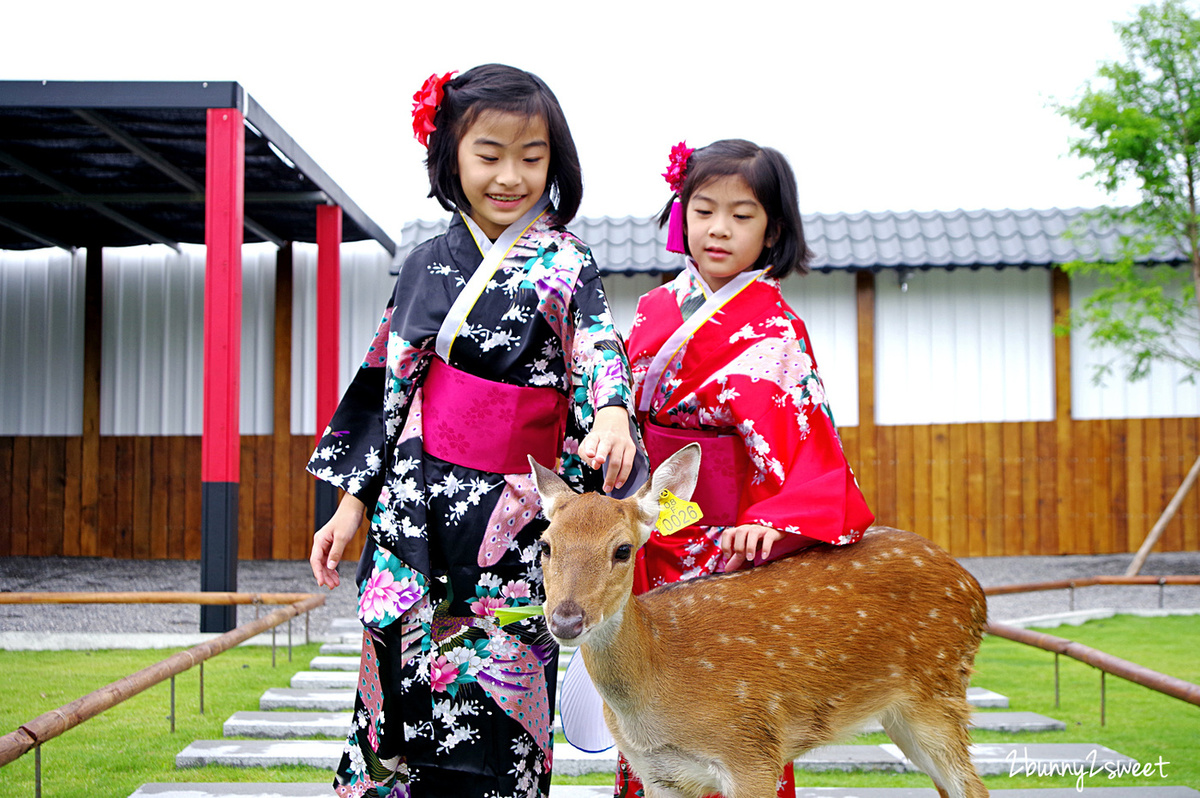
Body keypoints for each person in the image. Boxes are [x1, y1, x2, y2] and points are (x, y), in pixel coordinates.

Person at [307, 64, 638, 798]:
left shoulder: (567, 262)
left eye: (532, 156)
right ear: (451, 153)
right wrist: (350, 505)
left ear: (557, 160)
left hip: (518, 519)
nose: (511, 176)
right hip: (414, 512)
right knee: (396, 694)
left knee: (500, 702)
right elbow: (385, 385)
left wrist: (612, 411)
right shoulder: (426, 262)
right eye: (489, 155)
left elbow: (597, 348)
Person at [616, 139, 875, 798]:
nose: (719, 228)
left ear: (773, 230)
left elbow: (807, 442)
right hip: (654, 530)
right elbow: (618, 400)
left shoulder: (776, 330)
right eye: (703, 210)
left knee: (734, 715)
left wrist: (773, 521)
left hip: (726, 549)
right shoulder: (653, 310)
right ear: (683, 215)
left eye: (742, 214)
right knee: (648, 706)